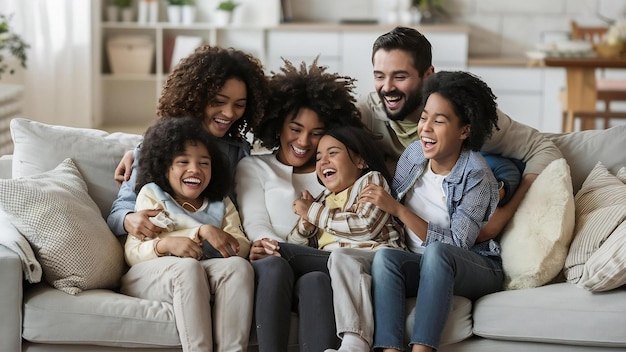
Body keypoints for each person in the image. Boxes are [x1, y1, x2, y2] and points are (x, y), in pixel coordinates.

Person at [326, 71, 502, 352]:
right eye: (424, 117)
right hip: (420, 264)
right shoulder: (414, 155)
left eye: (439, 121)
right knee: (385, 258)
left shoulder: (476, 176)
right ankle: (390, 350)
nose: (426, 129)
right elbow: (389, 213)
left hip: (474, 266)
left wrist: (397, 208)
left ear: (465, 130)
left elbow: (456, 245)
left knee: (438, 252)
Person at [357, 26, 562, 242]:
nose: (387, 88)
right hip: (416, 229)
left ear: (428, 75)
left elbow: (543, 148)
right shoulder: (367, 114)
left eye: (399, 77)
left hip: (466, 216)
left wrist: (508, 210)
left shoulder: (466, 115)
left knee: (505, 168)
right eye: (379, 76)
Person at [235, 58, 364, 352]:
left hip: (319, 266)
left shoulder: (334, 170)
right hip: (271, 264)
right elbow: (255, 220)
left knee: (316, 281)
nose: (304, 141)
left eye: (316, 133)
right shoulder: (253, 167)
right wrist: (263, 244)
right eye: (295, 128)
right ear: (278, 123)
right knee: (276, 265)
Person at [107, 44, 269, 241]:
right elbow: (118, 212)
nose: (229, 113)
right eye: (218, 102)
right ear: (196, 97)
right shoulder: (157, 147)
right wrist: (128, 219)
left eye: (239, 105)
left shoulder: (239, 151)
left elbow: (243, 215)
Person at [121, 116, 253, 351]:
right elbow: (133, 253)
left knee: (238, 267)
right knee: (187, 267)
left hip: (200, 272)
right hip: (149, 276)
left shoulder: (219, 203)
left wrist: (225, 243)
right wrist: (174, 242)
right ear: (165, 166)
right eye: (183, 161)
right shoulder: (153, 195)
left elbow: (241, 246)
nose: (195, 169)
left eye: (204, 163)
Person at [287, 125, 404, 251]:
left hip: (369, 255)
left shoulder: (370, 181)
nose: (323, 161)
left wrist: (312, 212)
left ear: (361, 161)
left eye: (332, 153)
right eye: (318, 158)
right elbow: (295, 246)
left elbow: (366, 227)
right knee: (282, 254)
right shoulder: (322, 201)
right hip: (327, 263)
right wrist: (306, 224)